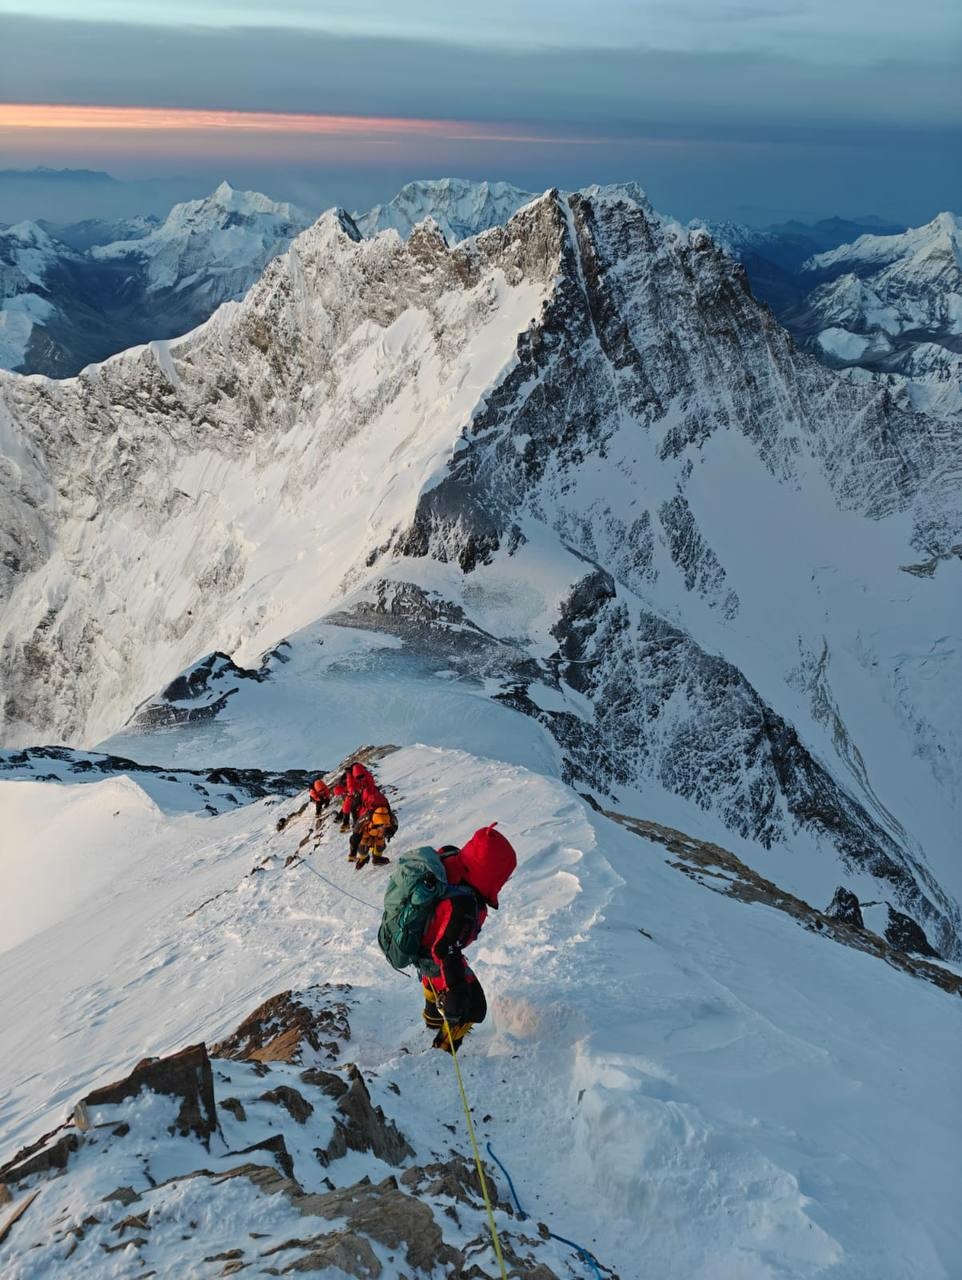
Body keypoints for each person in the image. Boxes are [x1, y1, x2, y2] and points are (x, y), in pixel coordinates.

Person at [418, 827, 517, 1052]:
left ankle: (432, 1018)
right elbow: (445, 951)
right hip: (435, 954)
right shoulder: (463, 907)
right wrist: (458, 991)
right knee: (474, 1008)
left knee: (433, 974)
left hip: (422, 944)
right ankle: (444, 1049)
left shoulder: (452, 861)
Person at [349, 784, 397, 869]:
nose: (381, 827)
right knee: (363, 843)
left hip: (375, 829)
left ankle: (377, 858)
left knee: (380, 842)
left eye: (384, 825)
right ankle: (363, 858)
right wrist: (353, 852)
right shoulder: (367, 816)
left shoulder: (388, 816)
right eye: (379, 825)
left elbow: (395, 823)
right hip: (367, 829)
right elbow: (356, 831)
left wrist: (391, 831)